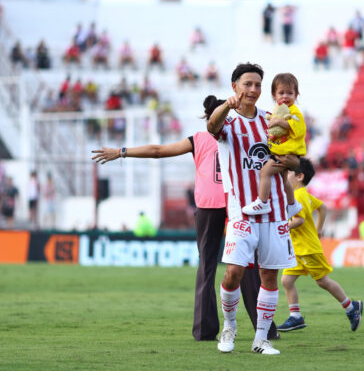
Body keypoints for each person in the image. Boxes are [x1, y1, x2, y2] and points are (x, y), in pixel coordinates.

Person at [92, 95, 279, 342]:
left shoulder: (199, 139)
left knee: (207, 267)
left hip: (210, 205)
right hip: (237, 202)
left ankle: (204, 329)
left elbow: (158, 151)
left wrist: (121, 152)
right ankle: (264, 327)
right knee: (247, 265)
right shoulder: (242, 133)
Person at [207, 62, 299, 355]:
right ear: (234, 87)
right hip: (242, 211)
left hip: (274, 211)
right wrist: (225, 105)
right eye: (247, 84)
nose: (253, 89)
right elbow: (211, 127)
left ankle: (261, 339)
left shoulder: (272, 120)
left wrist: (288, 161)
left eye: (258, 85)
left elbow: (295, 159)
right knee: (233, 272)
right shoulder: (228, 121)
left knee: (269, 276)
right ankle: (229, 326)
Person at [277, 158, 363, 332]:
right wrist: (319, 229)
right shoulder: (303, 194)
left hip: (308, 249)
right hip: (298, 249)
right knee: (286, 280)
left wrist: (280, 227)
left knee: (323, 281)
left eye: (289, 172)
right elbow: (322, 208)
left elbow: (299, 220)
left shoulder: (299, 195)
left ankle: (351, 307)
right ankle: (295, 317)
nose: (285, 175)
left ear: (300, 176)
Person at [242, 72, 306, 217]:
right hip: (283, 151)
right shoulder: (279, 110)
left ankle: (263, 202)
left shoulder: (294, 112)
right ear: (274, 95)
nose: (285, 96)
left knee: (264, 172)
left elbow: (299, 128)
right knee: (284, 179)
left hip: (287, 152)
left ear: (296, 95)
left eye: (290, 93)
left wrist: (279, 122)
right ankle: (292, 205)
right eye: (281, 93)